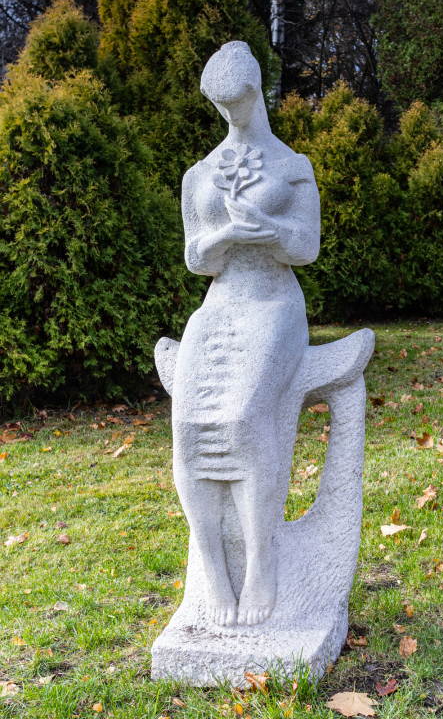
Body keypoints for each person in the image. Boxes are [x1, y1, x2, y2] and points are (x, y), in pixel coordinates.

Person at [172, 41, 320, 627]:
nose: (231, 114)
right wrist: (222, 237)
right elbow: (195, 258)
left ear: (257, 89)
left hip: (274, 306)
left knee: (239, 418)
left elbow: (304, 247)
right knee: (187, 426)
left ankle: (261, 561)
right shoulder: (199, 174)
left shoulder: (292, 166)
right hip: (218, 307)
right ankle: (212, 565)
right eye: (220, 106)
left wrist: (266, 230)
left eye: (238, 101)